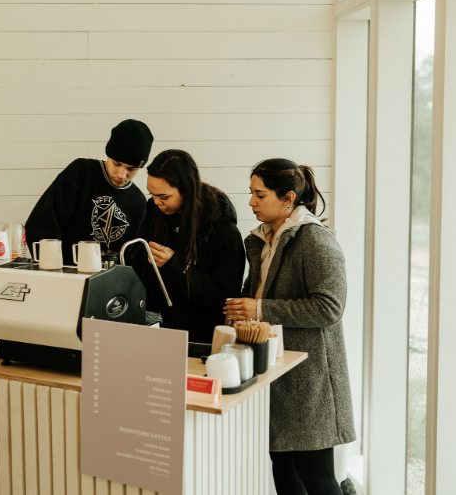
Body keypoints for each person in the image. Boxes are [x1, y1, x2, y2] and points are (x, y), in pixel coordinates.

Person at [224, 158, 356, 495]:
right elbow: (260, 291)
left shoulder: (316, 241)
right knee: (284, 472)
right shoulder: (262, 239)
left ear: (288, 198)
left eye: (259, 195)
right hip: (275, 373)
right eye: (251, 194)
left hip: (310, 380)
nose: (251, 202)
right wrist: (242, 308)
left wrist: (260, 308)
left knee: (317, 478)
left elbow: (330, 307)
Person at [136, 150, 245, 343]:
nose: (156, 201)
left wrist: (174, 265)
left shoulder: (222, 229)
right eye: (152, 194)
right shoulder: (153, 213)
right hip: (154, 332)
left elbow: (224, 298)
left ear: (186, 190)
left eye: (164, 196)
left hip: (199, 340)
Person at [26, 119, 153, 265]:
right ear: (108, 156)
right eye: (117, 164)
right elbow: (41, 224)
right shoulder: (81, 173)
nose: (121, 175)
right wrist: (54, 270)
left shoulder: (138, 202)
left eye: (131, 169)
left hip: (109, 283)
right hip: (63, 275)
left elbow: (133, 260)